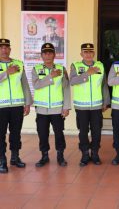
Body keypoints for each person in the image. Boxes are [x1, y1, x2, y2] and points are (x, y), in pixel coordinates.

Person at [70, 43, 110, 166]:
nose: (88, 54)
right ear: (81, 54)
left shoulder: (100, 66)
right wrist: (87, 73)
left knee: (96, 131)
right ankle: (85, 154)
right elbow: (72, 81)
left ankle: (95, 153)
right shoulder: (76, 66)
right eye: (85, 52)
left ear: (94, 54)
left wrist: (106, 101)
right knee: (83, 131)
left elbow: (104, 85)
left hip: (97, 106)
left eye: (90, 52)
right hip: (81, 106)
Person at [32, 43, 70, 167]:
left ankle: (60, 155)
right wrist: (50, 77)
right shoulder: (36, 69)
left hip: (57, 109)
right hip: (42, 110)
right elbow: (36, 85)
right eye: (45, 53)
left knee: (59, 133)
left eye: (50, 53)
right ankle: (44, 155)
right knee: (42, 133)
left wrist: (66, 106)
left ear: (54, 55)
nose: (47, 55)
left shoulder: (61, 69)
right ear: (41, 55)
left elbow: (66, 88)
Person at [0, 39, 33, 173]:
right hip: (1, 106)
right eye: (1, 47)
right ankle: (2, 159)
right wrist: (6, 73)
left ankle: (15, 157)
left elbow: (25, 84)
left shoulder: (18, 64)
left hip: (17, 106)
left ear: (10, 49)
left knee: (15, 133)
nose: (4, 50)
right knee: (0, 134)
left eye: (6, 47)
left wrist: (27, 103)